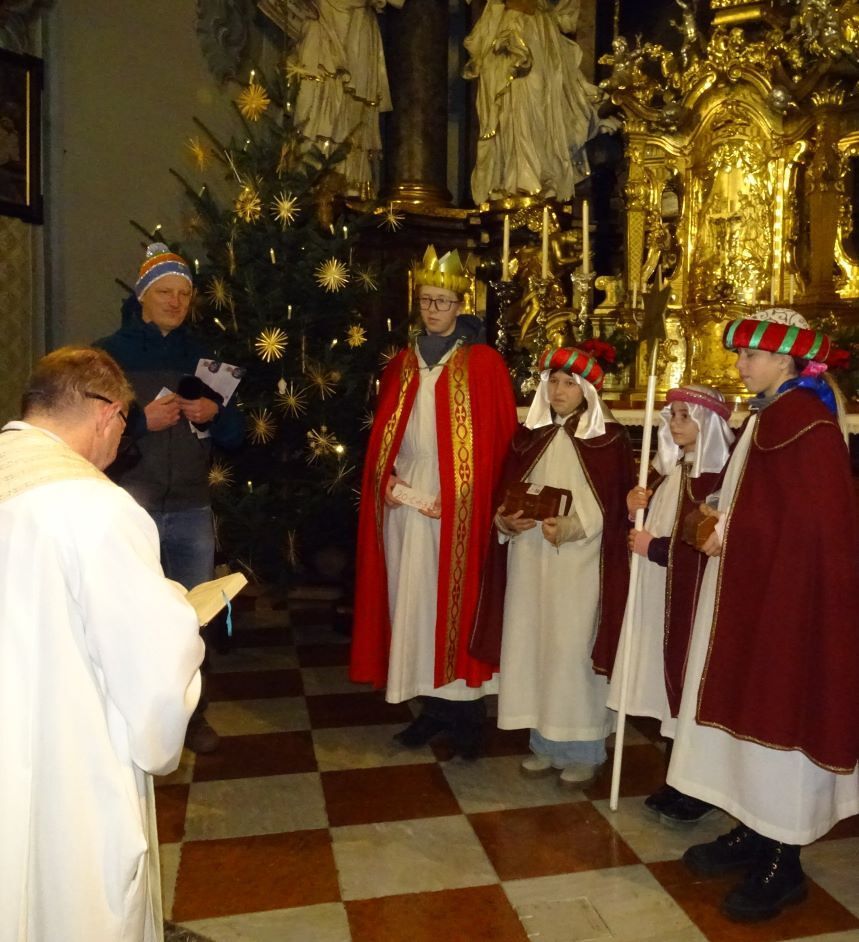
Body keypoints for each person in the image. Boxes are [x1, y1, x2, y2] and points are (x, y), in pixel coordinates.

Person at [0, 346, 204, 942]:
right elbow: (152, 668)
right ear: (107, 413)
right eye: (123, 424)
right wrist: (179, 616)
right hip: (66, 760)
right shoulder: (97, 507)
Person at [667, 308, 859, 922]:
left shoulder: (807, 424)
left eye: (750, 354)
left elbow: (814, 526)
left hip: (788, 603)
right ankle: (754, 829)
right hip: (749, 589)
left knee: (780, 710)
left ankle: (784, 860)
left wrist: (732, 529)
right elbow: (753, 497)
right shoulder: (769, 414)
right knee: (744, 705)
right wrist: (718, 515)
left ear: (783, 359)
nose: (740, 364)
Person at [351, 245, 518, 757]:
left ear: (460, 304)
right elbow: (384, 436)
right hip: (408, 501)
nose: (433, 310)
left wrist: (464, 495)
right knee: (413, 600)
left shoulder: (482, 362)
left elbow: (499, 440)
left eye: (442, 301)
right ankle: (431, 707)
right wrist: (388, 480)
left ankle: (466, 715)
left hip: (459, 503)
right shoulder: (402, 364)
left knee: (455, 604)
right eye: (425, 301)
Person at [96, 243, 244, 755]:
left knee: (190, 618)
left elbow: (235, 436)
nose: (176, 302)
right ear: (142, 296)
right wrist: (141, 421)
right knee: (129, 614)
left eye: (184, 293)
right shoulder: (107, 356)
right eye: (165, 292)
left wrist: (215, 414)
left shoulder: (203, 357)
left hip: (191, 507)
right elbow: (86, 429)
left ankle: (192, 716)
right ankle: (127, 715)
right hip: (129, 507)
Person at [471, 347, 632, 784]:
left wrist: (574, 526)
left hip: (579, 567)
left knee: (571, 651)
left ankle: (584, 747)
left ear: (588, 391)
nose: (558, 391)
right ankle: (542, 741)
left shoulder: (608, 440)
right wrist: (505, 521)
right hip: (529, 559)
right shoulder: (530, 437)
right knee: (533, 646)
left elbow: (613, 507)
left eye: (569, 384)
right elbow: (507, 493)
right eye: (553, 382)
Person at [610, 385, 734, 822]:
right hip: (657, 593)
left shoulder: (716, 479)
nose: (676, 424)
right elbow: (650, 521)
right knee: (668, 690)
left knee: (689, 683)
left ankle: (696, 788)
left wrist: (656, 548)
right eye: (672, 416)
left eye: (685, 416)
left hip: (690, 598)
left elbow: (706, 543)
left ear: (709, 424)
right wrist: (633, 509)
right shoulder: (669, 469)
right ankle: (676, 778)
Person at [463, 0, 609, 204]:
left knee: (542, 105)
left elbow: (567, 16)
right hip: (510, 30)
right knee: (513, 106)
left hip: (541, 36)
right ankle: (516, 181)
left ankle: (542, 178)